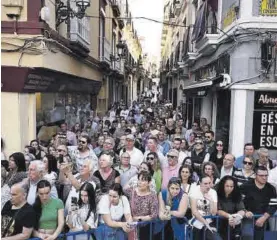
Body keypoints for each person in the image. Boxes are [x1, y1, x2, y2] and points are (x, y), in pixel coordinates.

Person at [240, 166, 277, 240]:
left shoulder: (271, 188)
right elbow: (239, 202)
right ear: (255, 175)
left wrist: (264, 217)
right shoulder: (245, 186)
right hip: (248, 217)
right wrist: (245, 211)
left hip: (263, 217)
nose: (264, 178)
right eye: (261, 175)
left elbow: (273, 205)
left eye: (266, 175)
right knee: (247, 236)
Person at [124, 171, 159, 240]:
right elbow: (123, 189)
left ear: (149, 183)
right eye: (139, 179)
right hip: (132, 226)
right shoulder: (132, 191)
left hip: (146, 227)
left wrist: (139, 218)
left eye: (143, 180)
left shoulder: (152, 196)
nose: (139, 182)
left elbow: (154, 215)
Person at [190, 175, 221, 240]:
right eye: (205, 184)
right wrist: (206, 224)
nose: (208, 186)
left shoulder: (213, 192)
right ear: (200, 183)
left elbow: (213, 213)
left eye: (209, 183)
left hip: (209, 221)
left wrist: (211, 201)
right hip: (196, 222)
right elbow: (194, 211)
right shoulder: (194, 191)